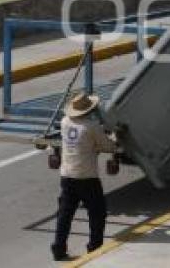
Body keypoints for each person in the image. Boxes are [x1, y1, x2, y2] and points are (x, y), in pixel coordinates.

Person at [51, 93, 117, 261]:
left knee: (65, 214)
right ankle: (94, 247)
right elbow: (108, 146)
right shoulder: (92, 126)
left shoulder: (65, 122)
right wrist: (113, 138)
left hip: (67, 176)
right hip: (87, 177)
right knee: (97, 213)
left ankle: (58, 248)